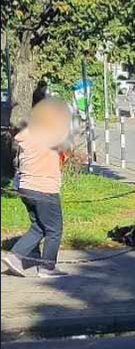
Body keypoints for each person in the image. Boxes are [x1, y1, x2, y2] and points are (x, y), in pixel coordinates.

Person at [3, 98, 72, 278]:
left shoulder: (26, 135)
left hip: (26, 187)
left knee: (39, 226)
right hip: (44, 187)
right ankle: (47, 268)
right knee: (54, 229)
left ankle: (15, 257)